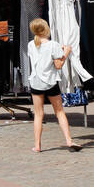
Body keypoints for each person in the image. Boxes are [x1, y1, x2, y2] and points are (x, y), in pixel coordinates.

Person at [27, 18, 82, 153]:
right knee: (59, 112)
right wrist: (66, 52)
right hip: (50, 82)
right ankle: (69, 140)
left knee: (38, 114)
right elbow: (58, 65)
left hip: (36, 81)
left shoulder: (30, 44)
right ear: (46, 29)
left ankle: (37, 145)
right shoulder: (53, 45)